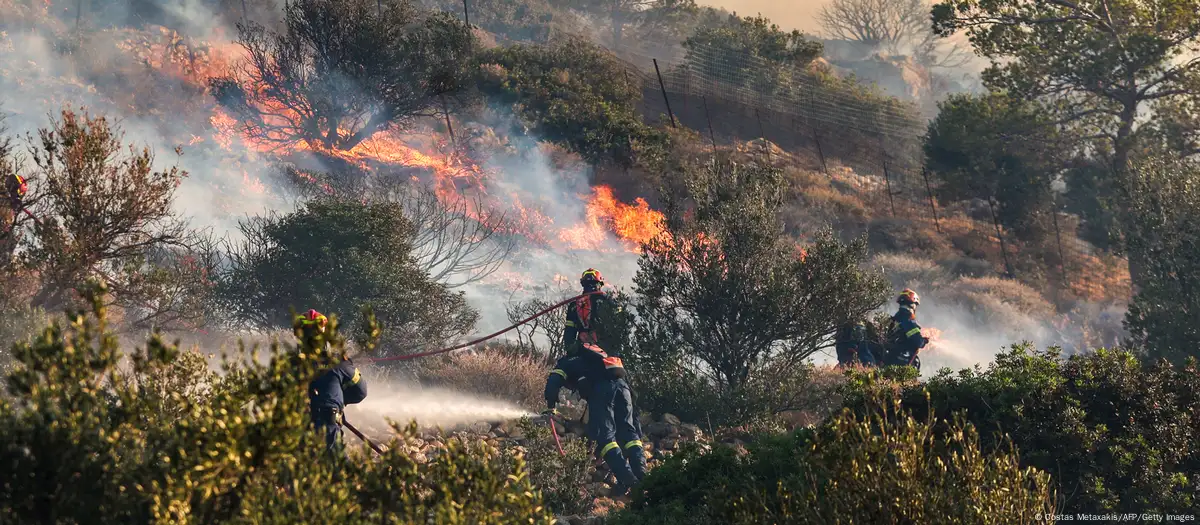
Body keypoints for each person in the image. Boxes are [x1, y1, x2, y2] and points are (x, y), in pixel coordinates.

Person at [544, 343, 645, 498]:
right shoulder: (600, 358)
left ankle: (631, 482)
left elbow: (553, 383)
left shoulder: (566, 362)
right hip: (624, 388)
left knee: (606, 439)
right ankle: (644, 477)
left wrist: (550, 406)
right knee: (630, 436)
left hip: (603, 390)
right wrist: (637, 430)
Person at [298, 309, 369, 457]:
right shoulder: (339, 363)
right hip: (327, 428)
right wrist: (339, 399)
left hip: (296, 430)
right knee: (337, 471)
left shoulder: (289, 365)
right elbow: (360, 392)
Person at [563, 268, 624, 355]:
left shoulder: (574, 305)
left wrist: (571, 350)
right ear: (600, 284)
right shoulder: (608, 301)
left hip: (582, 349)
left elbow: (569, 332)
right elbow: (620, 323)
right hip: (606, 350)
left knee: (563, 366)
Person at [883, 289, 929, 370]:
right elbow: (917, 341)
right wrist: (923, 341)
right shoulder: (907, 318)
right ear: (912, 305)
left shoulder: (896, 317)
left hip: (890, 358)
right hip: (902, 361)